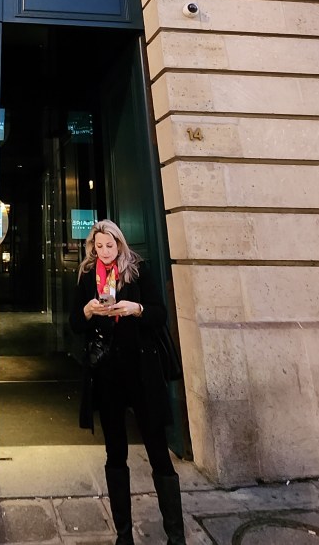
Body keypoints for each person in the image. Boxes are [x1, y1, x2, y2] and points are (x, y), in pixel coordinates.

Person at [70, 219, 185, 545]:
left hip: (141, 373)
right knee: (115, 452)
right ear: (92, 247)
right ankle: (124, 535)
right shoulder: (86, 278)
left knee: (157, 450)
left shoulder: (138, 271)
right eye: (98, 246)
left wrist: (136, 309)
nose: (104, 252)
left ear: (119, 244)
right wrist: (89, 311)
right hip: (107, 376)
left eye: (110, 245)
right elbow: (75, 324)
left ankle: (175, 536)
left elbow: (160, 314)